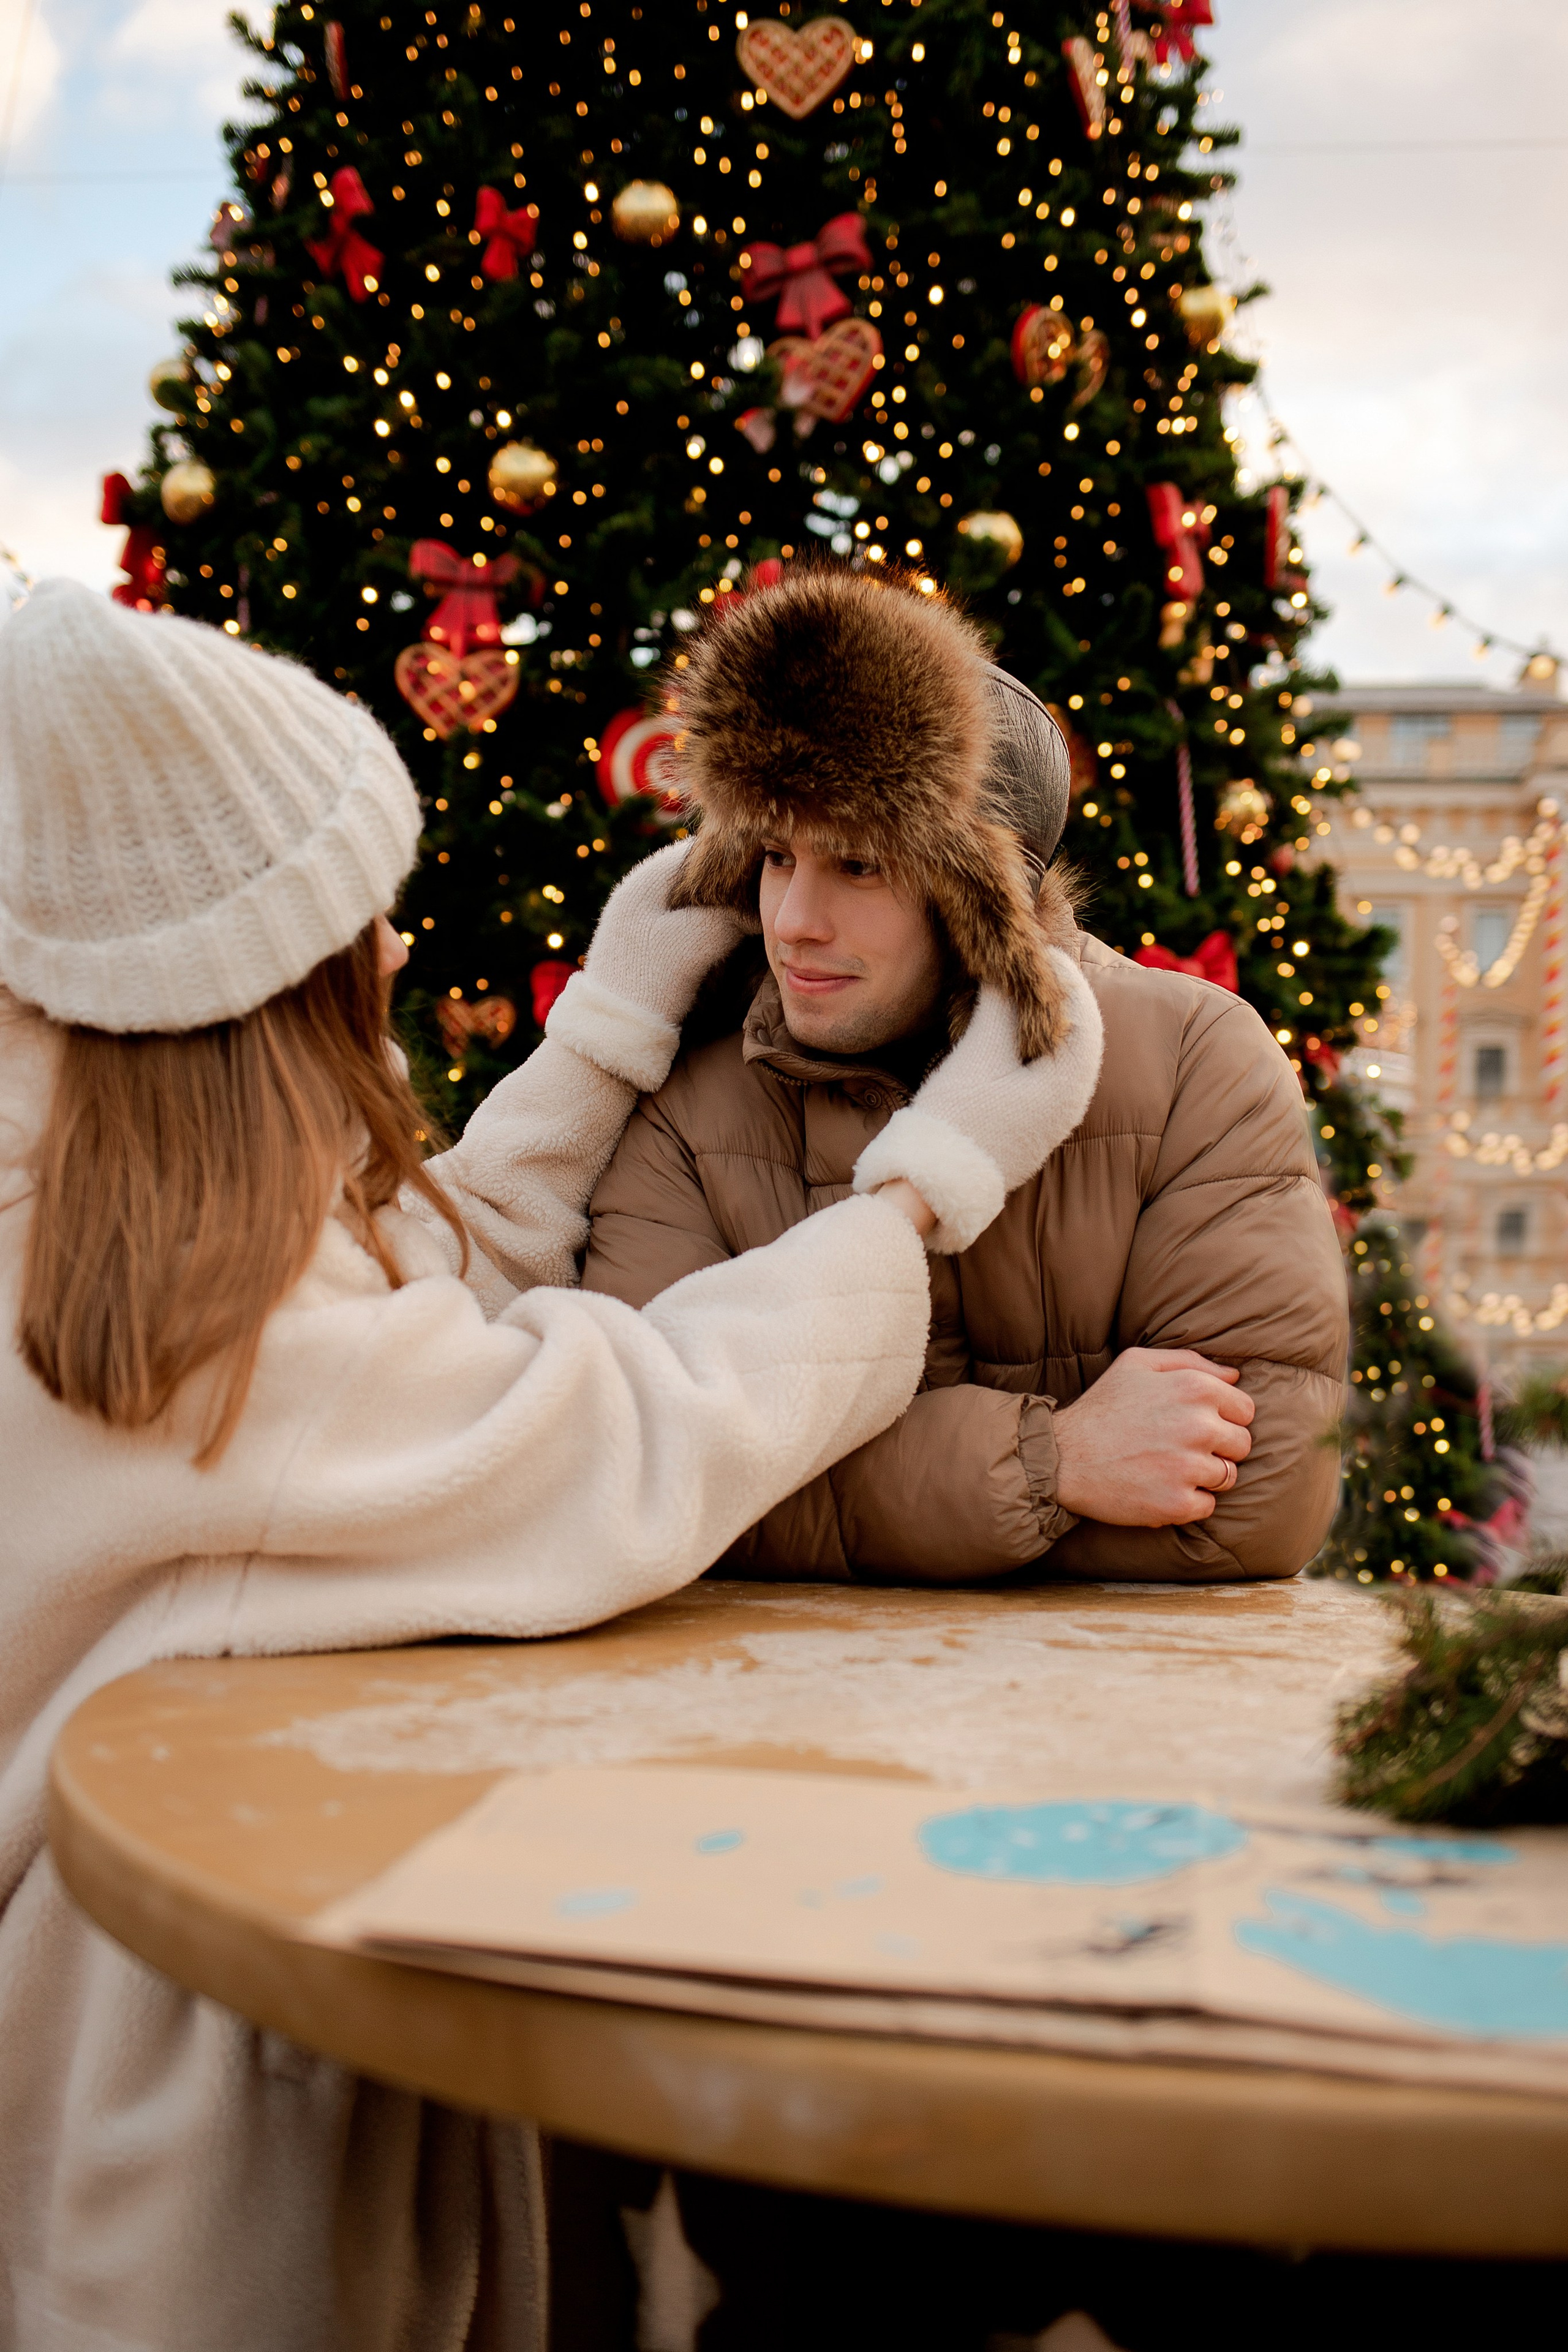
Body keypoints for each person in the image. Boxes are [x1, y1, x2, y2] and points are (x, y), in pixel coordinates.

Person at [0, 581, 1102, 2351]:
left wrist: (599, 1032)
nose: (395, 955)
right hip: (187, 2171)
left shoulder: (85, 1200)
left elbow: (425, 1301)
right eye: (354, 922)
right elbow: (617, 1430)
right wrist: (924, 1189)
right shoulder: (174, 1341)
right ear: (250, 978)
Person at [582, 566, 1349, 1583]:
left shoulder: (1191, 1063)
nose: (794, 921)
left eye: (857, 864)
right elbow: (643, 1469)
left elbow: (1251, 1502)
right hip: (780, 1727)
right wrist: (1054, 1461)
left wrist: (788, 1472)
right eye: (773, 856)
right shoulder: (687, 1108)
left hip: (1110, 1727)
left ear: (979, 887)